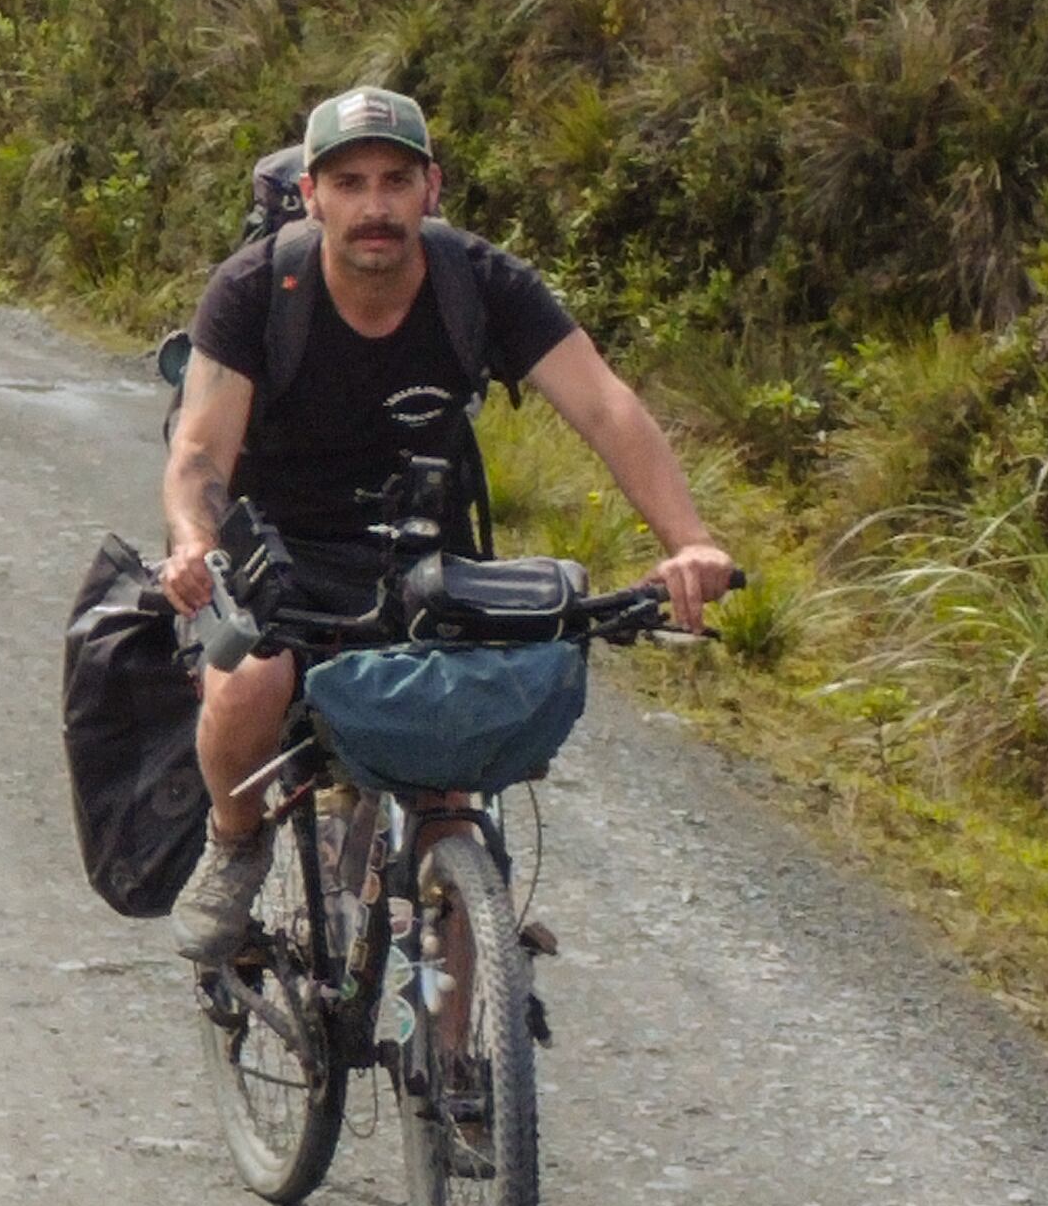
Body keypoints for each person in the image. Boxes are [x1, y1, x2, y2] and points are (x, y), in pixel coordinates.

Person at [159, 86, 736, 965]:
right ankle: (235, 843)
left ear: (434, 189)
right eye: (348, 182)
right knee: (248, 684)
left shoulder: (481, 283)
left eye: (396, 179)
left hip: (426, 551)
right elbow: (200, 449)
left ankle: (468, 1081)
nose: (375, 206)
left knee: (452, 781)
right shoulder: (255, 290)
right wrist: (196, 544)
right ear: (312, 197)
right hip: (277, 544)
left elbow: (606, 407)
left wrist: (687, 539)